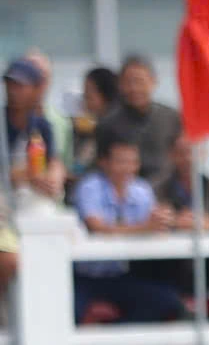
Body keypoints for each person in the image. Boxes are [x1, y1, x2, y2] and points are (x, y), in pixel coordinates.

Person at [71, 139, 186, 324]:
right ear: (104, 162)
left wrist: (172, 219)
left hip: (119, 275)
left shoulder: (141, 190)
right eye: (121, 161)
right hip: (84, 277)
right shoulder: (90, 186)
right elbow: (97, 227)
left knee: (166, 301)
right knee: (70, 311)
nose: (128, 168)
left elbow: (155, 224)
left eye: (133, 162)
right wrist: (144, 227)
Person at [96, 55, 180, 183]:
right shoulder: (108, 123)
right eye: (128, 82)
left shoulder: (171, 117)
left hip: (167, 191)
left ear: (153, 82)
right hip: (126, 192)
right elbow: (101, 164)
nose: (134, 88)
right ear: (120, 85)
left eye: (139, 81)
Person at [5, 57, 61, 200]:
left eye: (20, 86)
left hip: (30, 198)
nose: (13, 91)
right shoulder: (2, 123)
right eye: (9, 85)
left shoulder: (41, 125)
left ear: (36, 89)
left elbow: (53, 161)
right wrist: (28, 175)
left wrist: (53, 177)